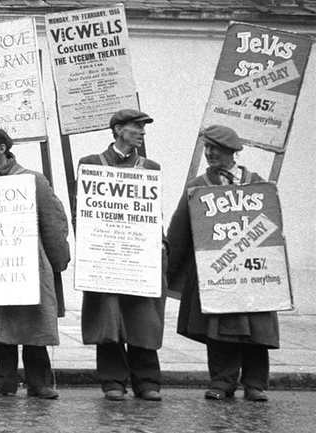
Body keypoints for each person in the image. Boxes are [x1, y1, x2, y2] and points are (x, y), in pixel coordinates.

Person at [166, 125, 278, 402]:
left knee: (255, 328)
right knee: (218, 328)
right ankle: (222, 381)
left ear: (232, 152)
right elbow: (179, 232)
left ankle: (255, 383)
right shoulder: (198, 187)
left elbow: (272, 225)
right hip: (214, 272)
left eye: (216, 148)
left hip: (252, 271)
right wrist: (166, 272)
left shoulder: (257, 183)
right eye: (207, 148)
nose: (210, 153)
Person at [0, 127, 70, 399]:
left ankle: (40, 382)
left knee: (33, 325)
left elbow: (54, 223)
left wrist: (58, 261)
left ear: (2, 148)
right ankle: (3, 381)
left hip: (28, 268)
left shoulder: (33, 180)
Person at [76, 108, 165, 401]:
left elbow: (154, 213)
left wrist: (159, 243)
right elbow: (82, 212)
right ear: (117, 130)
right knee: (109, 317)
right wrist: (91, 243)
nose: (141, 132)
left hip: (138, 255)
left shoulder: (150, 167)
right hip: (106, 255)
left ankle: (147, 381)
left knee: (142, 316)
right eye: (135, 127)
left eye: (143, 128)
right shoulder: (91, 164)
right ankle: (112, 380)